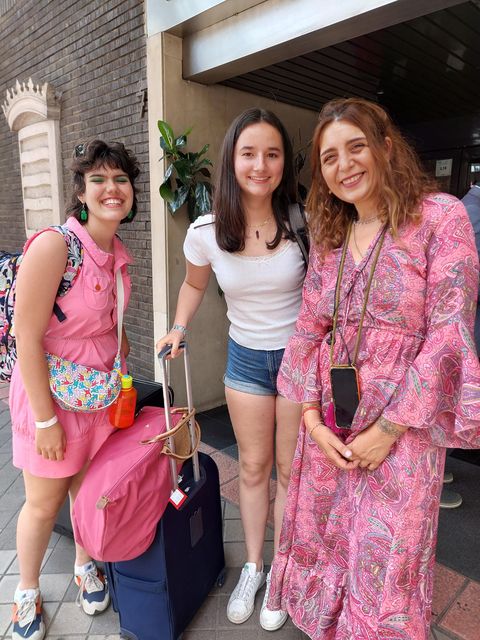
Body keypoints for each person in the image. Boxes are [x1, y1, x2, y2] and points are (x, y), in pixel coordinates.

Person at [267, 98, 480, 640]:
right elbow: (311, 327)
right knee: (328, 540)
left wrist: (387, 429)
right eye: (330, 157)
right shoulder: (332, 234)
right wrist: (311, 421)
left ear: (386, 146)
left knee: (387, 560)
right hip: (330, 428)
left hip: (403, 430)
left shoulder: (440, 218)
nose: (344, 166)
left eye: (355, 146)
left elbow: (449, 331)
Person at [156, 108, 305, 631]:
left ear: (285, 162)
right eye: (249, 153)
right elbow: (195, 284)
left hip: (298, 359)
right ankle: (254, 566)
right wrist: (178, 326)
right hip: (245, 359)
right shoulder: (207, 230)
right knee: (253, 466)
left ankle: (283, 574)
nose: (260, 164)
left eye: (272, 153)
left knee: (290, 471)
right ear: (231, 160)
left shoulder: (304, 221)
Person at [9, 139, 138, 640]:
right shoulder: (54, 246)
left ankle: (86, 565)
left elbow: (113, 324)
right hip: (51, 402)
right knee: (43, 502)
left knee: (89, 489)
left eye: (122, 179)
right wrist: (44, 420)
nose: (113, 188)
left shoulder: (116, 253)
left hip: (97, 397)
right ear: (81, 191)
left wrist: (121, 375)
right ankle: (26, 592)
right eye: (100, 179)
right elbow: (26, 336)